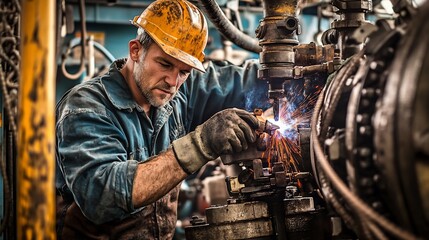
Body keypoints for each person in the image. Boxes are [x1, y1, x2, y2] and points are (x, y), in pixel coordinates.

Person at [55, 0, 267, 239]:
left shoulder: (181, 94)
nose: (173, 82)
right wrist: (200, 145)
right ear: (135, 50)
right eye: (165, 64)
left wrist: (300, 71)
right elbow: (102, 196)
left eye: (184, 71)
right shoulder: (86, 108)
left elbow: (246, 82)